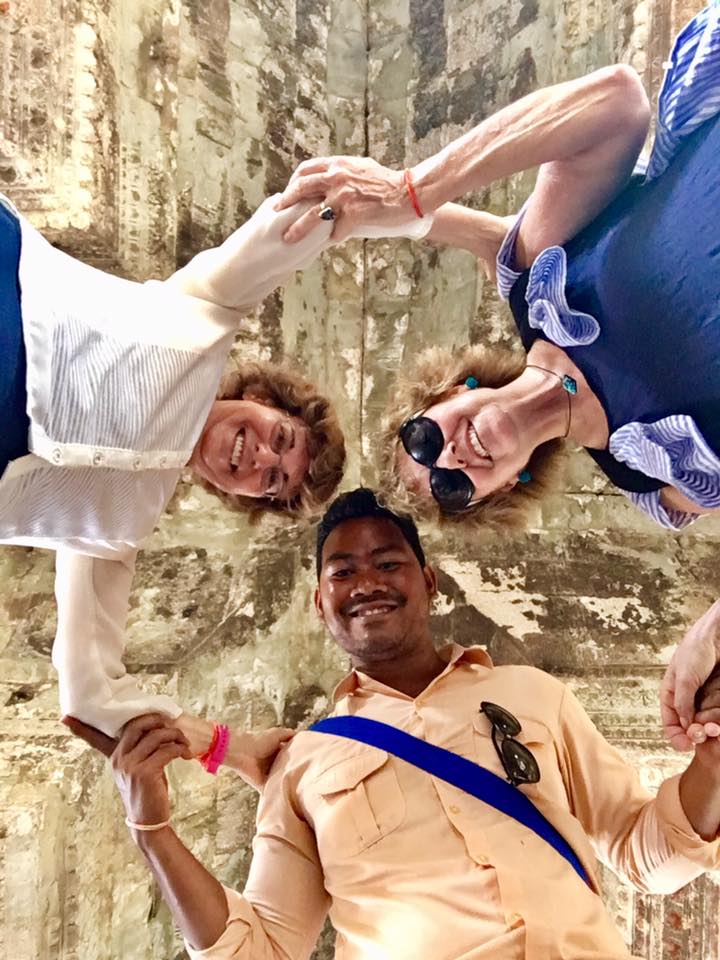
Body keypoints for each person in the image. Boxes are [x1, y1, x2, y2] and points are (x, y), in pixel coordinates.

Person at [274, 3, 720, 748]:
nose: (451, 459)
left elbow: (615, 103)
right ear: (501, 489)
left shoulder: (540, 281)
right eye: (449, 486)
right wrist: (711, 626)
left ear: (452, 393)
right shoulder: (653, 478)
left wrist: (412, 192)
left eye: (424, 440)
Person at [67, 488, 720, 959]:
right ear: (319, 604)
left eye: (388, 562)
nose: (366, 582)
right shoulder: (303, 765)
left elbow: (646, 854)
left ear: (430, 582)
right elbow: (260, 949)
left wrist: (713, 763)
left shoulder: (533, 694)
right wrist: (151, 828)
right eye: (342, 571)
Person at [0, 187, 352, 762]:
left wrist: (231, 750)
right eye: (280, 438)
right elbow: (293, 228)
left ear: (242, 496)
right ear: (263, 398)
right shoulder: (206, 318)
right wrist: (413, 205)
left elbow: (89, 691)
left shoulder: (120, 530)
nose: (262, 458)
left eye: (272, 482)